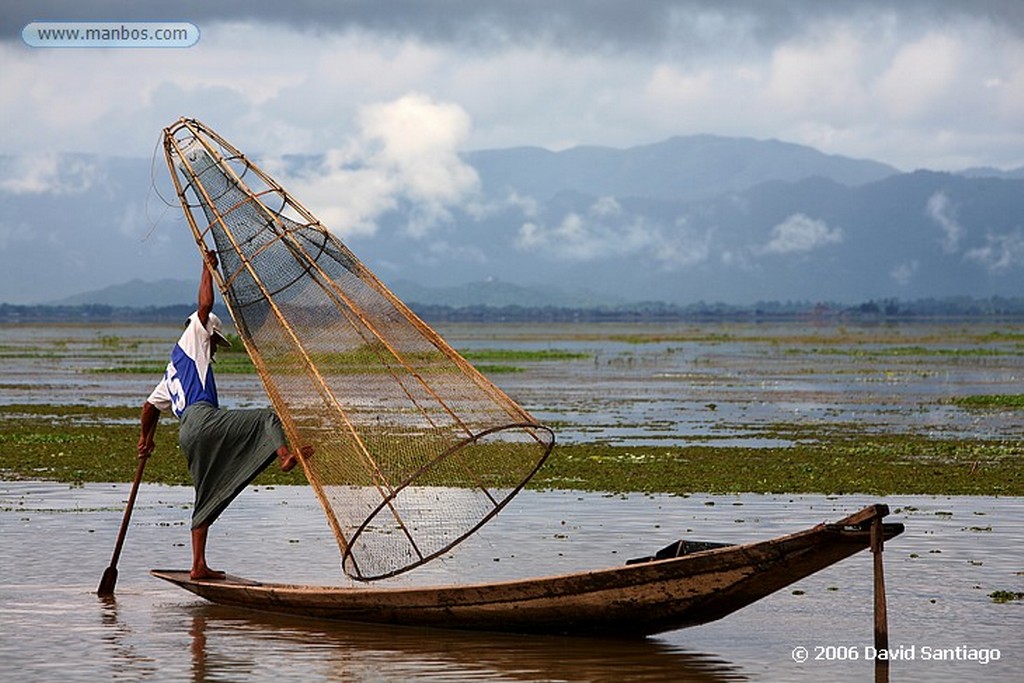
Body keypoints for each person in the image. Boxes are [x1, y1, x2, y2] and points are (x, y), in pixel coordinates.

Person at [138, 249, 311, 580]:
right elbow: (204, 307)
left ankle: (198, 565)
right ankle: (284, 456)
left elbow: (149, 408)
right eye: (215, 342)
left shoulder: (171, 370)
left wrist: (146, 439)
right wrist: (206, 268)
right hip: (203, 420)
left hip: (188, 434)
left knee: (206, 492)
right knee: (266, 418)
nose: (215, 347)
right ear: (209, 335)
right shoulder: (193, 339)